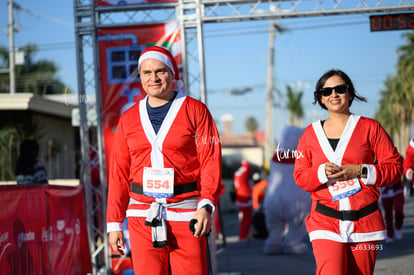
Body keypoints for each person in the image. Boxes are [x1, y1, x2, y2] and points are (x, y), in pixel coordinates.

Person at [106, 45, 222, 275]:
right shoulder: (128, 119)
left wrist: (206, 205)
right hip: (142, 215)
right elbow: (118, 172)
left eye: (160, 71)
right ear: (140, 77)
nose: (154, 78)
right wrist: (114, 223)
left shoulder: (196, 110)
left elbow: (210, 160)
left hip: (187, 212)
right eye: (147, 73)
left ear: (172, 73)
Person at [293, 69, 403, 275]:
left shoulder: (371, 128)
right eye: (326, 92)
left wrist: (361, 170)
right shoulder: (309, 134)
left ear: (350, 94)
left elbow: (395, 169)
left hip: (366, 223)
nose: (333, 95)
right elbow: (300, 176)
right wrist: (321, 172)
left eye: (340, 89)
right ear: (321, 99)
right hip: (324, 221)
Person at [263, 125, 311, 255]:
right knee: (297, 224)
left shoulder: (275, 157)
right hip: (296, 199)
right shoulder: (301, 157)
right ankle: (293, 243)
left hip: (273, 198)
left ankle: (273, 242)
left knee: (275, 225)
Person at [380, 175, 404, 243]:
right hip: (385, 190)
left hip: (397, 188)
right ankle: (390, 234)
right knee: (388, 215)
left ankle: (398, 227)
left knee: (399, 210)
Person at [233, 160, 253, 240]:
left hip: (240, 197)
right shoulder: (244, 172)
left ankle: (244, 235)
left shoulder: (237, 174)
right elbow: (248, 167)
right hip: (245, 197)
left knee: (244, 218)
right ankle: (243, 235)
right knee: (247, 218)